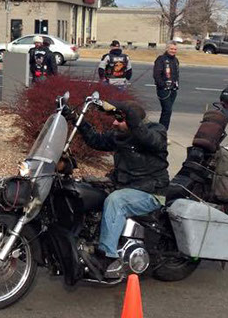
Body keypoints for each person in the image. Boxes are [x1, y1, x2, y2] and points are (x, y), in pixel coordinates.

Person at [68, 101, 169, 277]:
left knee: (116, 201)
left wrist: (125, 109)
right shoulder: (120, 135)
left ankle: (107, 257)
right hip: (125, 187)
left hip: (151, 192)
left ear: (132, 120)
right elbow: (95, 140)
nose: (114, 123)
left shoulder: (156, 131)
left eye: (119, 119)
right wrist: (75, 118)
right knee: (82, 189)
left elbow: (147, 139)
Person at [153, 40, 180, 130]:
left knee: (167, 111)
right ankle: (162, 130)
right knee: (167, 110)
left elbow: (176, 74)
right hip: (164, 90)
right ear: (167, 49)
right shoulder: (161, 59)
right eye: (171, 49)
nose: (173, 51)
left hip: (173, 90)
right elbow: (156, 75)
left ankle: (162, 130)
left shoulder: (175, 60)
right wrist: (162, 85)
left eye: (175, 49)